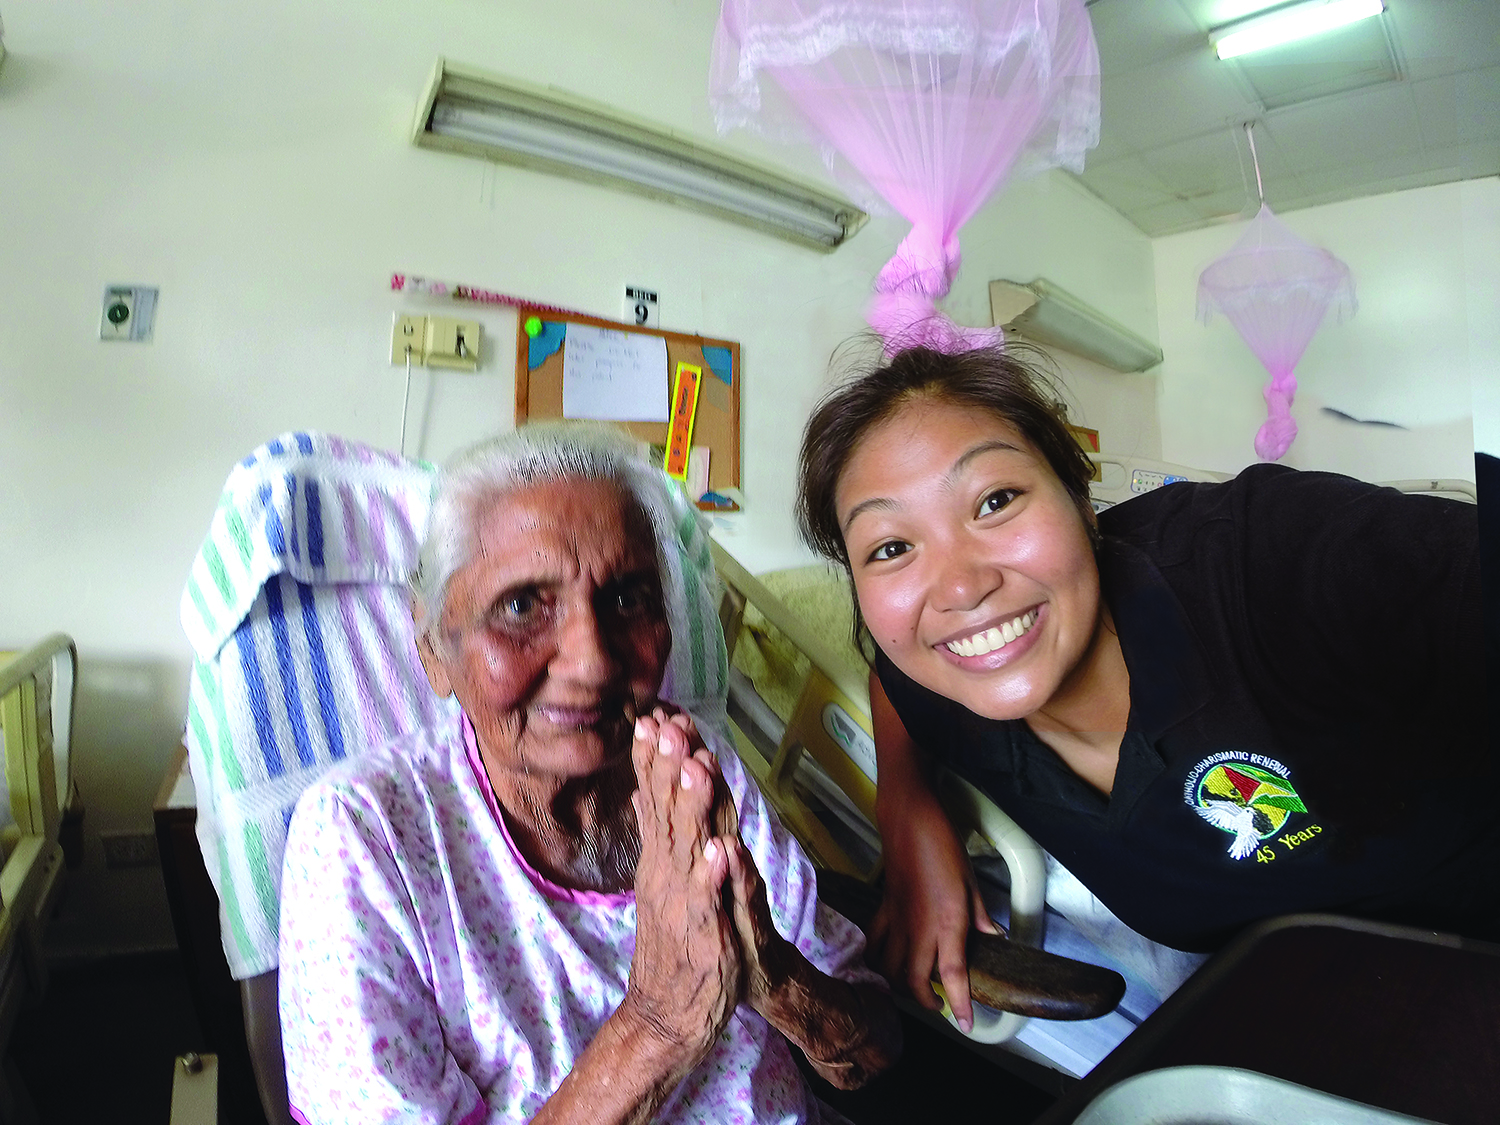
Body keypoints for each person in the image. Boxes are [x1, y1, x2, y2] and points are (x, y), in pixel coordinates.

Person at [795, 343, 1497, 1033]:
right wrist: (907, 809)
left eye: (997, 500)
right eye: (890, 547)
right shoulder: (940, 680)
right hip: (1313, 1020)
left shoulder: (1262, 564)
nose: (960, 586)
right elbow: (891, 682)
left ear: (1080, 497)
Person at [278, 423, 900, 1124]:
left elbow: (872, 1049)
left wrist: (779, 982)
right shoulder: (364, 833)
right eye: (521, 606)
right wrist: (659, 1024)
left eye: (629, 599)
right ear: (434, 651)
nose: (593, 662)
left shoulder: (693, 772)